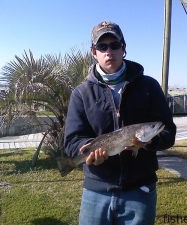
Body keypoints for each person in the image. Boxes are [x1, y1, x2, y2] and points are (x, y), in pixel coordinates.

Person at [64, 21, 176, 225]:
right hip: (96, 190)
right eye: (102, 46)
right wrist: (87, 151)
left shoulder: (149, 86)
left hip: (140, 190)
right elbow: (72, 140)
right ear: (93, 52)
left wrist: (149, 141)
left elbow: (167, 131)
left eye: (115, 45)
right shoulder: (81, 93)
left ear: (123, 49)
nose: (109, 51)